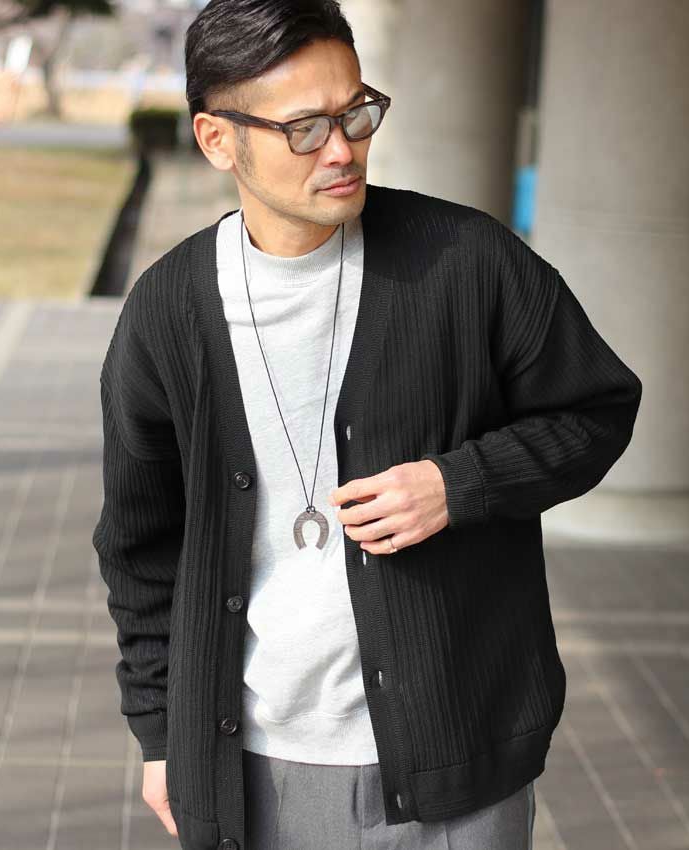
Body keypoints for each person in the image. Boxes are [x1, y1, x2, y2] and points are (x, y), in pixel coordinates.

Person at [92, 2, 643, 849]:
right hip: (251, 770)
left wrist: (460, 483)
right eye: (305, 129)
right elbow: (139, 546)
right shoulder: (167, 312)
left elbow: (597, 408)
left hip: (454, 771)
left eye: (355, 113)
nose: (343, 149)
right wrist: (161, 734)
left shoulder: (465, 263)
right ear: (217, 140)